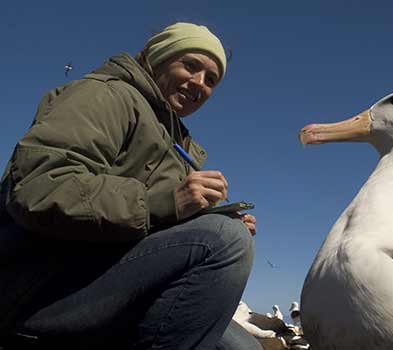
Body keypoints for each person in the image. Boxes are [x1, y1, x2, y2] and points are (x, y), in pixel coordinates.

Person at [0, 22, 262, 350]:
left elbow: (155, 221)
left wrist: (207, 217)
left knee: (245, 348)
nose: (199, 83)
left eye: (211, 80)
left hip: (104, 278)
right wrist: (172, 204)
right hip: (37, 286)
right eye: (191, 66)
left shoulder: (180, 144)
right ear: (158, 58)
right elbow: (37, 187)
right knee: (224, 241)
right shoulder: (106, 94)